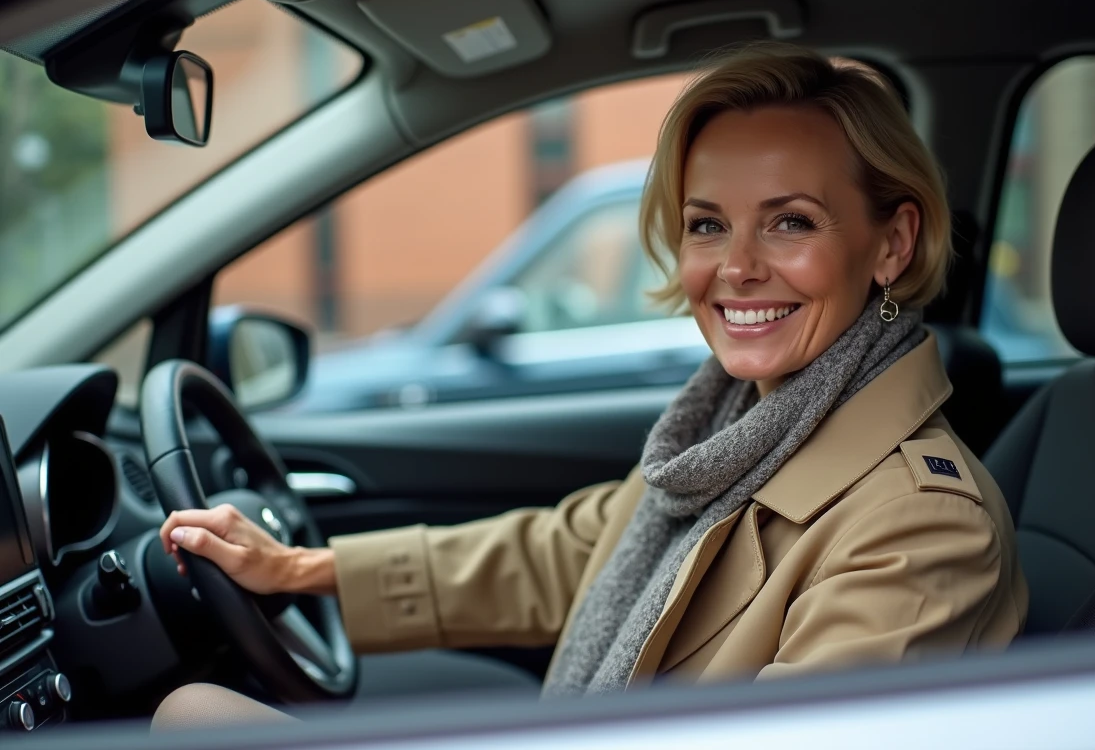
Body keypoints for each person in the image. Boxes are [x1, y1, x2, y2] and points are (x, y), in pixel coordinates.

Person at [154, 43, 1027, 723]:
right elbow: (572, 552)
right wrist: (301, 568)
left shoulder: (918, 526)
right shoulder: (736, 429)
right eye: (707, 225)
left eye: (790, 222)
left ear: (892, 243)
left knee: (190, 715)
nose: (737, 268)